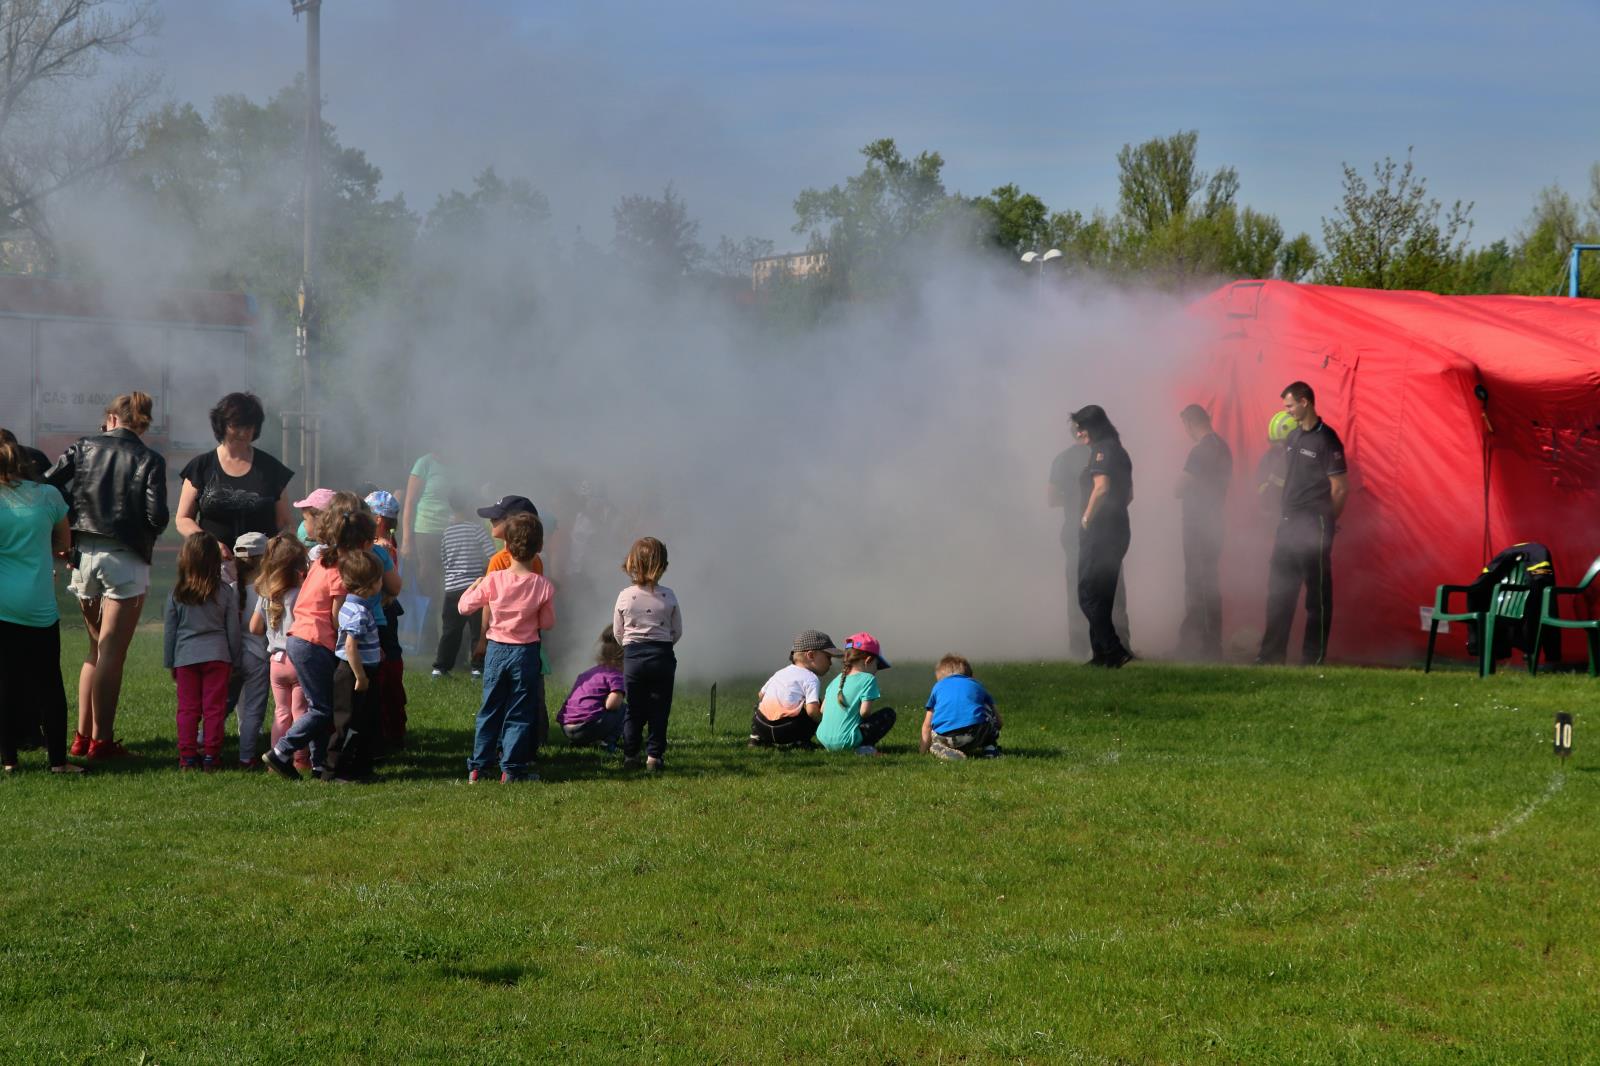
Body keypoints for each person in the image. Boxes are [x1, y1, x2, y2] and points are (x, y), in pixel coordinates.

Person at [45, 391, 170, 760]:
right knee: (112, 653)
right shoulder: (150, 459)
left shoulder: (83, 447)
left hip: (83, 553)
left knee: (93, 650)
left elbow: (49, 482)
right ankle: (103, 741)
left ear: (112, 418)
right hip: (124, 558)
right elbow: (158, 517)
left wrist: (71, 518)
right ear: (142, 422)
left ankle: (82, 737)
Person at [263, 508, 376, 781]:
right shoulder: (339, 571)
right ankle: (281, 752)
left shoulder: (322, 561)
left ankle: (317, 763)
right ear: (361, 543)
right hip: (315, 641)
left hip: (299, 638)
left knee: (319, 705)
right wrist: (352, 640)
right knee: (323, 709)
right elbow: (338, 616)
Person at [0, 433, 82, 774]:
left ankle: (8, 761)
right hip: (39, 606)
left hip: (2, 606)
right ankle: (58, 763)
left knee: (4, 682)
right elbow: (64, 541)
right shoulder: (48, 496)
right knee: (49, 684)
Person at [457, 512, 555, 783]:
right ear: (539, 548)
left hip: (497, 650)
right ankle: (511, 769)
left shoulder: (494, 580)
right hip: (525, 652)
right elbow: (548, 623)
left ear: (507, 547)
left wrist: (474, 586)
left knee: (490, 707)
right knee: (520, 711)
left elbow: (464, 607)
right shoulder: (543, 586)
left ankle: (478, 767)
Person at [1256, 381, 1349, 666]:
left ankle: (1313, 658)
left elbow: (1340, 488)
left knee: (1317, 598)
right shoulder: (1293, 438)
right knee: (1279, 592)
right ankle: (1271, 656)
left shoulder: (1328, 440)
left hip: (1315, 525)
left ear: (1305, 402)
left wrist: (1326, 522)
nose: (1287, 411)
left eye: (1290, 405)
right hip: (1287, 524)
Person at [174, 392, 294, 565]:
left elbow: (285, 523)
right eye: (236, 426)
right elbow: (183, 519)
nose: (243, 433)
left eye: (249, 427)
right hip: (212, 566)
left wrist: (274, 549)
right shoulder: (200, 466)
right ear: (222, 425)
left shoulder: (272, 468)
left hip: (262, 571)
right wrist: (210, 544)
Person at [163, 533, 242, 771]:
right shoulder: (225, 592)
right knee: (214, 708)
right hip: (218, 657)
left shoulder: (177, 593)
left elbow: (170, 632)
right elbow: (233, 631)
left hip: (186, 658)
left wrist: (170, 662)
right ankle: (211, 755)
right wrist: (235, 659)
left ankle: (187, 756)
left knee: (187, 709)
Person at [1049, 425, 1129, 657]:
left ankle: (1080, 647)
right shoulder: (1110, 453)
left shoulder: (1061, 460)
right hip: (1108, 531)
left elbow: (1051, 498)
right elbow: (1126, 494)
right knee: (1113, 589)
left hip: (1076, 533)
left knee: (1079, 588)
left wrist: (1075, 501)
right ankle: (1120, 642)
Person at [1072, 404, 1135, 669]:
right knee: (1103, 593)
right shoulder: (1119, 450)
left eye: (1080, 429)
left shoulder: (1102, 450)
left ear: (1093, 428)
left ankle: (1114, 650)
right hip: (1118, 527)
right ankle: (1101, 655)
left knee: (1087, 593)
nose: (1078, 435)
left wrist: (1086, 518)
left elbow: (1101, 488)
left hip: (1101, 531)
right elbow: (1129, 495)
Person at [613, 536, 681, 772]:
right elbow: (677, 631)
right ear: (662, 566)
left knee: (634, 707)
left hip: (633, 656)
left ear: (632, 563)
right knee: (659, 708)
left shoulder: (624, 596)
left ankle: (630, 754)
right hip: (662, 655)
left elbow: (617, 632)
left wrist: (630, 646)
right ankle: (654, 756)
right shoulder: (668, 596)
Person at [1175, 404, 1233, 660]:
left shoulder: (1201, 451)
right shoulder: (1223, 447)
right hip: (1214, 522)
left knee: (1199, 585)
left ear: (1189, 423)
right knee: (1206, 582)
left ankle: (1206, 648)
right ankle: (1196, 644)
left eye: (1184, 426)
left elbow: (1180, 486)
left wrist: (1176, 488)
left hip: (1198, 526)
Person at [326, 549, 385, 782]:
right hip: (353, 673)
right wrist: (360, 676)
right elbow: (350, 647)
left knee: (366, 720)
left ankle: (361, 768)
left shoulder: (350, 605)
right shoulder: (359, 611)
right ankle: (334, 770)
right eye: (379, 579)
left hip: (361, 669)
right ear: (370, 584)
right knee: (347, 722)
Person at [252, 533, 309, 768]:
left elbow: (254, 627)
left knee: (281, 712)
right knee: (300, 711)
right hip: (297, 660)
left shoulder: (266, 593)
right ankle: (300, 758)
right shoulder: (299, 594)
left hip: (275, 661)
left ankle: (274, 756)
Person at [400, 450, 462, 649]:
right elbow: (409, 502)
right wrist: (407, 539)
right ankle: (429, 639)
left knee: (451, 585)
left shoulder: (457, 465)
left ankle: (448, 639)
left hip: (452, 532)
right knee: (428, 584)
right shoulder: (424, 464)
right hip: (426, 531)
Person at [365, 489, 409, 750]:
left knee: (387, 667)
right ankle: (390, 728)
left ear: (379, 519)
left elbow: (388, 587)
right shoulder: (385, 544)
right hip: (384, 610)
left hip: (384, 611)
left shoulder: (382, 548)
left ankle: (390, 729)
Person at [433, 494, 495, 678]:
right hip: (474, 587)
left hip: (452, 588)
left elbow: (444, 560)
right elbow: (492, 556)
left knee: (450, 630)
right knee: (478, 630)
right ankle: (477, 668)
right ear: (468, 506)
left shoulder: (446, 532)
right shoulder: (477, 530)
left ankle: (440, 667)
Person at [748, 629, 842, 749]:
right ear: (811, 655)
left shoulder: (780, 673)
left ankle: (756, 738)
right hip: (787, 731)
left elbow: (761, 695)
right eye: (828, 657)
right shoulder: (811, 678)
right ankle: (801, 741)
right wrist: (824, 722)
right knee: (815, 703)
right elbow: (812, 712)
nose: (830, 663)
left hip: (762, 727)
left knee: (761, 704)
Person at [817, 632, 896, 754]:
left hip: (824, 740)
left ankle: (838, 746)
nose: (876, 670)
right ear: (868, 660)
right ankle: (863, 748)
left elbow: (822, 710)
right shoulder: (868, 679)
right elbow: (864, 712)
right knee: (888, 714)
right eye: (877, 665)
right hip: (847, 741)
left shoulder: (835, 680)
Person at [232, 532, 272, 769]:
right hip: (258, 656)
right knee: (253, 711)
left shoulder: (230, 588)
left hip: (235, 655)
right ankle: (247, 756)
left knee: (235, 705)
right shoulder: (266, 590)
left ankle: (201, 742)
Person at [556, 626, 627, 751]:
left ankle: (580, 742)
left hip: (566, 727)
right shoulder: (616, 675)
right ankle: (608, 743)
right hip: (586, 728)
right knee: (624, 709)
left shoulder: (589, 673)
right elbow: (612, 705)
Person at [920, 654, 1001, 760]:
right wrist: (995, 728)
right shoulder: (977, 685)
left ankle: (939, 747)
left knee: (936, 734)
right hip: (975, 734)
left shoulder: (937, 687)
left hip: (947, 737)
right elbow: (999, 720)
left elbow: (927, 725)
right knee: (987, 709)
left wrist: (922, 753)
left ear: (939, 678)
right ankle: (990, 748)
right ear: (971, 676)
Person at [1254, 411, 1295, 518]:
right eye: (1273, 443)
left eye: (1280, 443)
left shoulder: (1307, 456)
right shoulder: (1269, 458)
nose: (1276, 447)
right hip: (1276, 518)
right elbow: (1260, 486)